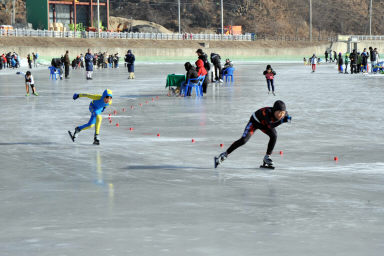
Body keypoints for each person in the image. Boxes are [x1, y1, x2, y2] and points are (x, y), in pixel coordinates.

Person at [214, 100, 291, 169]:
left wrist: (288, 118)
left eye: (283, 113)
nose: (281, 115)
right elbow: (270, 126)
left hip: (265, 124)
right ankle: (225, 154)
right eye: (279, 112)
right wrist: (281, 121)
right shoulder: (266, 113)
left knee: (274, 135)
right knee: (243, 140)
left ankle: (267, 157)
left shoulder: (284, 114)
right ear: (274, 111)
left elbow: (282, 119)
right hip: (255, 122)